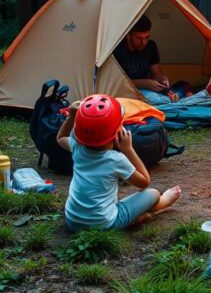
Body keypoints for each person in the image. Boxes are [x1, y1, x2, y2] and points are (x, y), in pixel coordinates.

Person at [56, 93, 181, 230]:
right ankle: (158, 205)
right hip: (105, 224)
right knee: (153, 193)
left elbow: (61, 137)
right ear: (116, 132)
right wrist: (128, 149)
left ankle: (136, 217)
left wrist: (71, 117)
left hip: (73, 220)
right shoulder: (115, 159)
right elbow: (144, 182)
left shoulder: (77, 148)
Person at [113, 17, 174, 97]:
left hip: (149, 89)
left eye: (147, 37)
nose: (143, 42)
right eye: (139, 38)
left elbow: (156, 71)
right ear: (129, 35)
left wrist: (162, 79)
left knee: (181, 87)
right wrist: (144, 83)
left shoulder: (151, 46)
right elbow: (116, 83)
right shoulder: (118, 50)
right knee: (155, 99)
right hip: (126, 91)